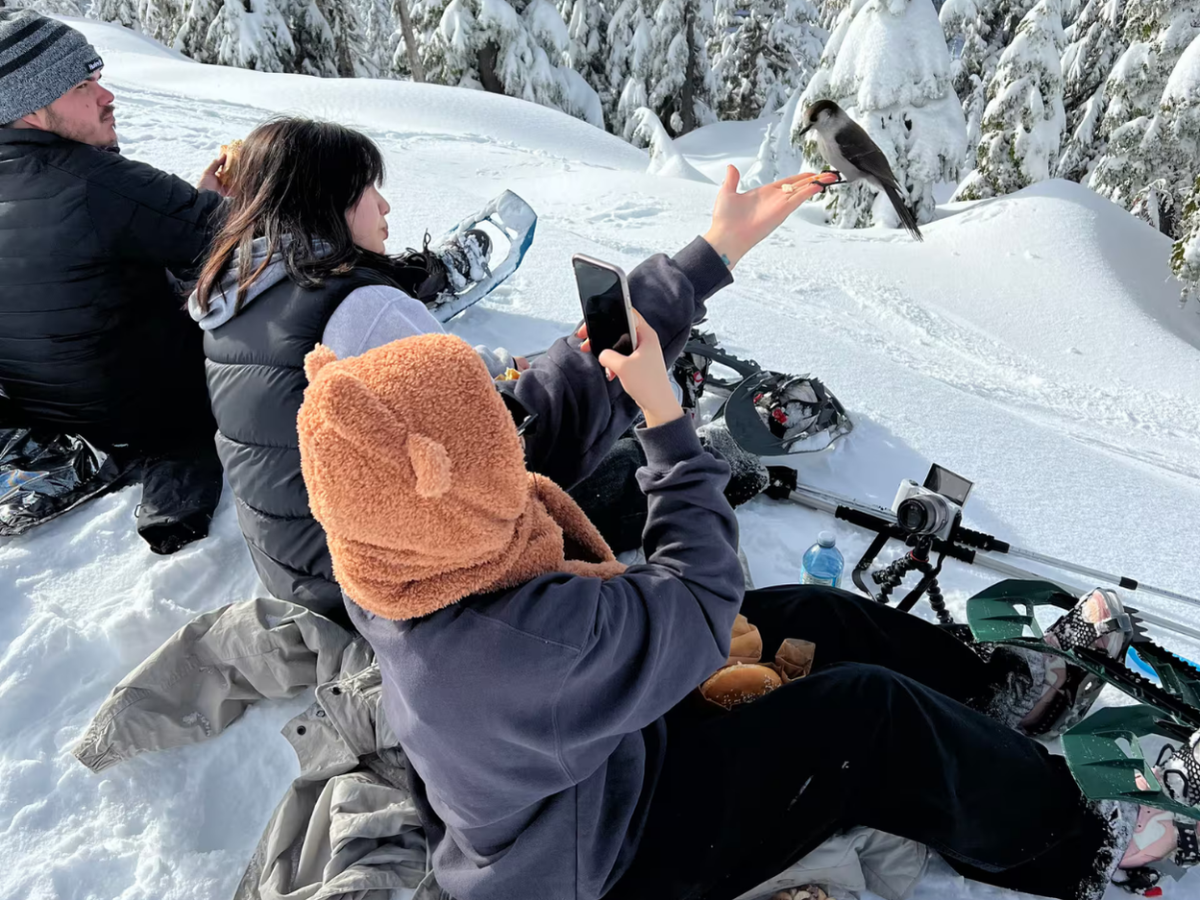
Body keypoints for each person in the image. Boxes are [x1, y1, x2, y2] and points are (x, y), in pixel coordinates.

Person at [296, 325, 1197, 900]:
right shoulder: (511, 642)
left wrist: (687, 273)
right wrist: (666, 426)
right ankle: (1076, 847)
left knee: (808, 614)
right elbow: (696, 595)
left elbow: (542, 428)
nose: (509, 416)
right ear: (449, 482)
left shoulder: (392, 553)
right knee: (865, 718)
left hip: (590, 764)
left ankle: (997, 694)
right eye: (491, 421)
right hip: (621, 856)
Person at [190, 116, 826, 622]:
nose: (384, 205)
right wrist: (707, 256)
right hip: (390, 589)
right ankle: (716, 467)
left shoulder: (234, 293)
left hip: (298, 564)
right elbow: (523, 444)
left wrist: (486, 370)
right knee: (623, 455)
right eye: (366, 189)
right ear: (324, 203)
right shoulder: (364, 309)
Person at [0, 10, 229, 553]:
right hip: (157, 414)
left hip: (52, 415)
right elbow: (238, 240)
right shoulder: (99, 182)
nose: (107, 97)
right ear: (32, 107)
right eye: (84, 85)